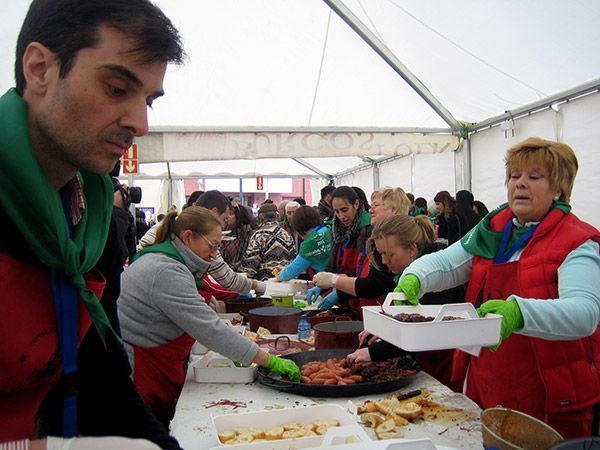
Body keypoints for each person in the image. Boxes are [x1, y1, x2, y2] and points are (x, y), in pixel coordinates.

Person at [0, 0, 186, 448]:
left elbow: (105, 387)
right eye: (117, 88)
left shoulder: (95, 222)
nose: (140, 124)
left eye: (149, 101)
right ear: (40, 68)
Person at [394, 137, 600, 438]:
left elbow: (585, 313)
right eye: (515, 176)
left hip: (545, 394)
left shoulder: (578, 242)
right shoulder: (494, 229)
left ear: (558, 188)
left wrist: (518, 312)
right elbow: (448, 263)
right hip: (486, 378)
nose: (520, 184)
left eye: (534, 177)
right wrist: (414, 278)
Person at [118, 207, 300, 426]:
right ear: (188, 237)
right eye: (212, 246)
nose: (215, 254)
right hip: (140, 368)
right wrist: (267, 359)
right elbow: (209, 329)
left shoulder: (172, 261)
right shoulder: (165, 270)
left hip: (156, 358)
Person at [344, 215, 464, 385]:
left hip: (443, 363)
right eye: (381, 254)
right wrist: (384, 326)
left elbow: (420, 330)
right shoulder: (405, 272)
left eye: (390, 254)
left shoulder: (435, 274)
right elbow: (407, 316)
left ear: (412, 249)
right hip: (421, 360)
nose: (384, 261)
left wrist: (373, 352)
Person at [312, 187, 411, 316]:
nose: (370, 209)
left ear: (393, 210)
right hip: (368, 307)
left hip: (384, 309)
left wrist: (335, 282)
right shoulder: (371, 236)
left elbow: (376, 283)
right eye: (336, 211)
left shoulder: (390, 239)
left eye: (375, 205)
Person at [306, 186, 371, 313]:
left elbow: (363, 273)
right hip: (343, 296)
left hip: (359, 296)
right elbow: (331, 264)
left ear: (356, 204)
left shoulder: (368, 229)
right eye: (336, 211)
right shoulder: (336, 229)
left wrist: (338, 289)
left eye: (344, 210)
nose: (341, 216)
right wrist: (321, 284)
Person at [239, 203, 296, 280]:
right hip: (285, 280)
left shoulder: (258, 236)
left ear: (260, 216)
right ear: (277, 216)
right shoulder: (286, 234)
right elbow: (294, 258)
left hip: (266, 284)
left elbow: (250, 266)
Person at [275, 205, 331, 281]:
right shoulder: (326, 230)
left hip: (330, 281)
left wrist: (279, 277)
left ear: (298, 227)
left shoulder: (309, 243)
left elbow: (293, 270)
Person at [220, 201, 255, 271]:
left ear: (239, 216)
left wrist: (231, 268)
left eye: (231, 214)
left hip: (242, 272)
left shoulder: (249, 233)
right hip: (224, 271)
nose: (227, 217)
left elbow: (249, 256)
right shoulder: (226, 231)